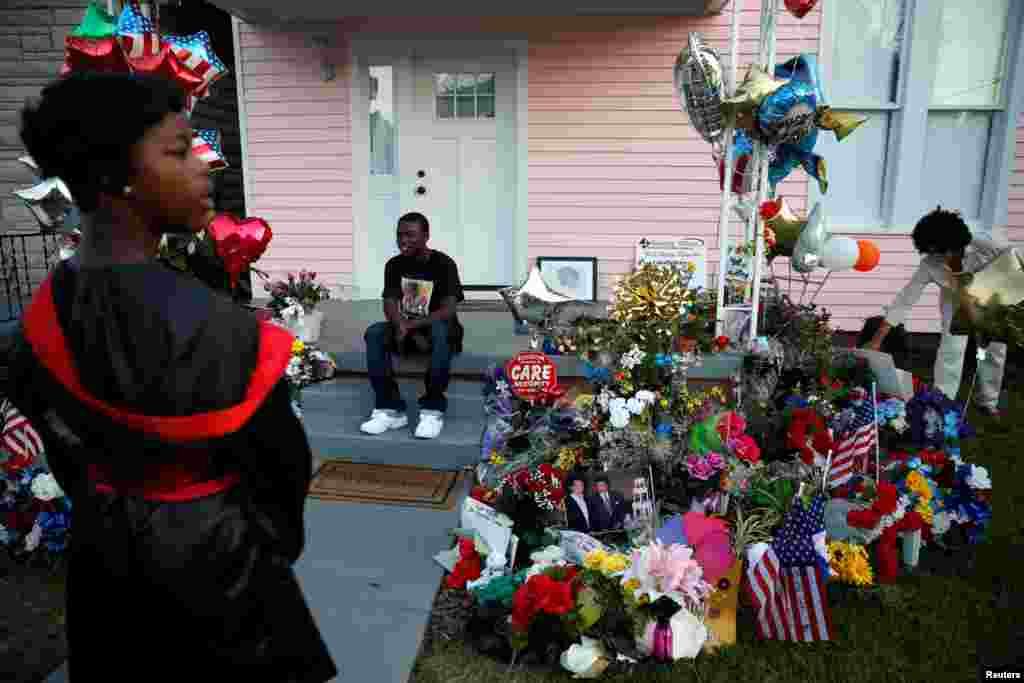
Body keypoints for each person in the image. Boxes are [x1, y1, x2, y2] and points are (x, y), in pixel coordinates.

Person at [7, 73, 337, 682]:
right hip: (219, 567)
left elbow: (52, 431)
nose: (203, 168)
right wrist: (264, 543)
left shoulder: (42, 315)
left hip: (104, 557)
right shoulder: (221, 329)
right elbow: (281, 465)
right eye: (180, 151)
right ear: (117, 178)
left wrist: (110, 497)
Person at [863, 207, 1008, 417]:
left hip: (992, 295)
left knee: (994, 350)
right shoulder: (929, 263)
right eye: (934, 253)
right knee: (951, 348)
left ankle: (988, 401)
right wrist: (877, 339)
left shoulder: (988, 243)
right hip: (955, 300)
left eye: (943, 251)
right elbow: (905, 300)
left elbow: (1013, 264)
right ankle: (942, 401)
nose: (941, 258)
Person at [360, 212, 465, 439]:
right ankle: (390, 409)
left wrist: (412, 326)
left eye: (410, 235)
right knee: (375, 332)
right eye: (399, 235)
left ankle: (432, 410)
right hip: (406, 328)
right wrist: (400, 326)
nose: (403, 240)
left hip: (438, 327)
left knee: (440, 330)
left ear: (426, 236)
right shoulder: (394, 265)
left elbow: (448, 310)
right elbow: (389, 304)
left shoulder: (443, 264)